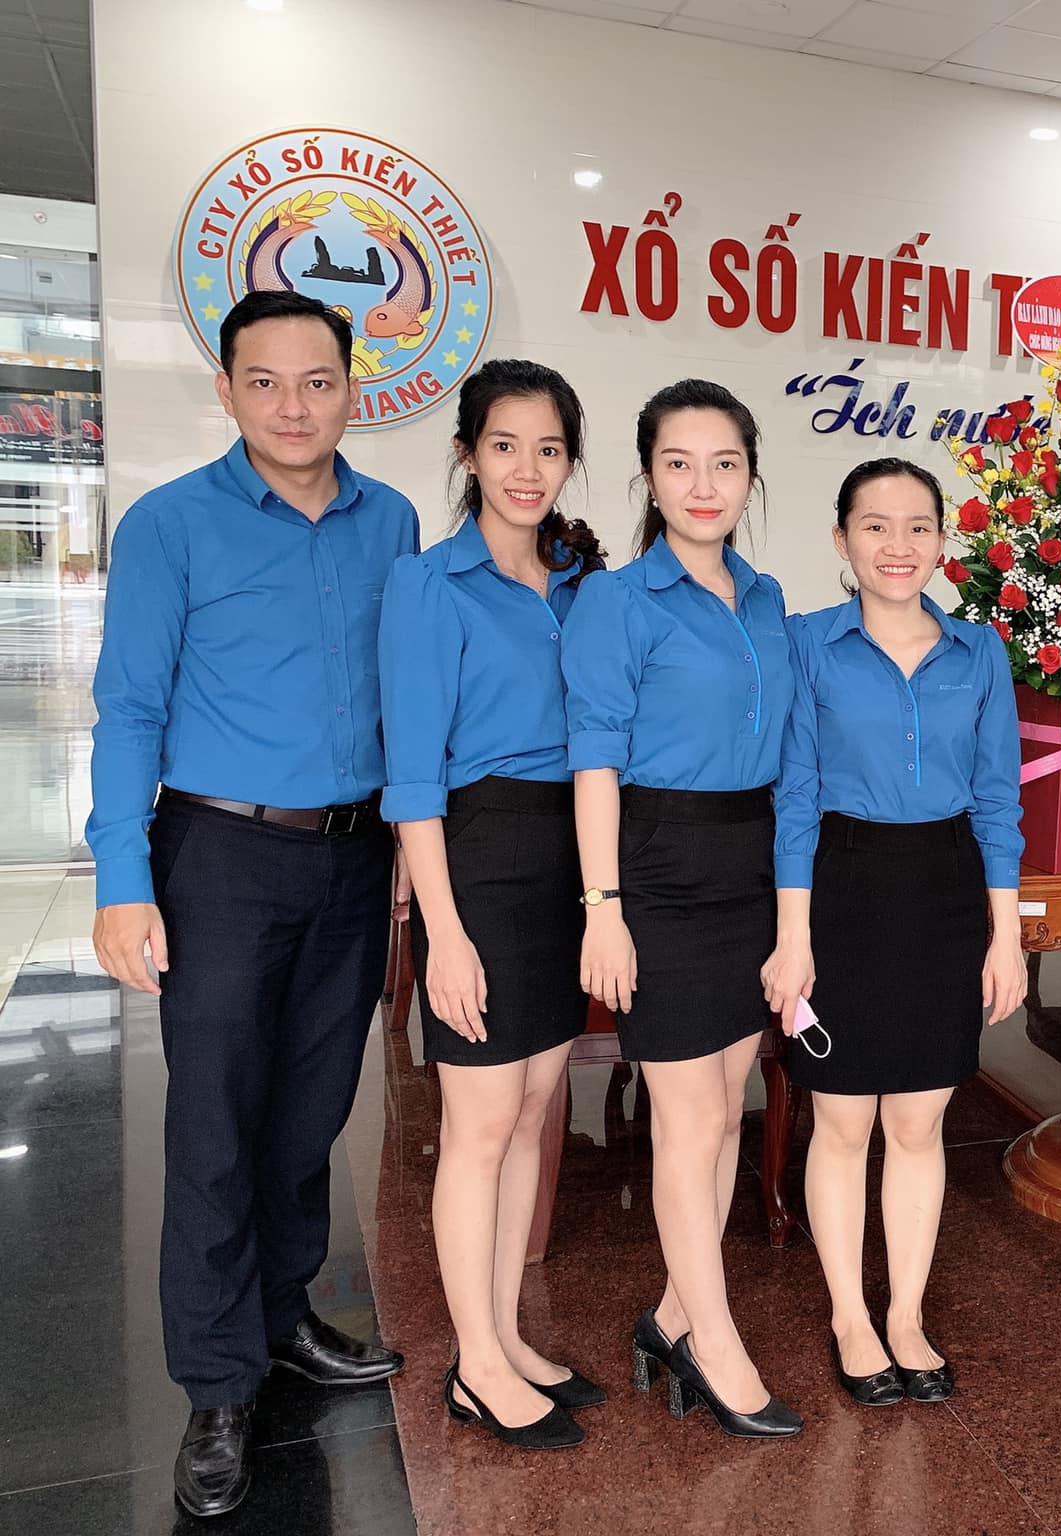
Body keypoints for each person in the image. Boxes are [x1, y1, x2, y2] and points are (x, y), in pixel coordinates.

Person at [87, 291, 417, 1518]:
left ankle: (284, 1317)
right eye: (265, 381)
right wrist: (123, 879)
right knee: (217, 1122)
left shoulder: (392, 522)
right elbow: (129, 709)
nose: (293, 405)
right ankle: (218, 1384)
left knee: (312, 1108)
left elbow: (408, 693)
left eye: (317, 381)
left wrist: (412, 847)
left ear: (351, 389)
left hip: (354, 855)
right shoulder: (170, 526)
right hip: (220, 852)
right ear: (225, 390)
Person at [562, 379, 801, 1438]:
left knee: (724, 1105)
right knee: (690, 1117)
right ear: (647, 479)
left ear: (750, 477)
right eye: (678, 464)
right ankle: (715, 1344)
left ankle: (670, 1317)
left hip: (748, 864)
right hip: (653, 867)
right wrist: (602, 908)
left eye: (724, 464)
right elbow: (595, 766)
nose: (703, 486)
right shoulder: (616, 601)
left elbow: (791, 752)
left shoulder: (768, 599)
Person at [378, 359, 608, 1447]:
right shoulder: (429, 584)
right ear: (467, 453)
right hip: (478, 861)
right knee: (476, 1126)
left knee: (531, 1112)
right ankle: (473, 1365)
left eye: (548, 449)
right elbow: (413, 780)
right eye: (505, 445)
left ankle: (507, 1335)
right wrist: (444, 935)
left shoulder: (580, 581)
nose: (527, 469)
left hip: (570, 862)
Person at [763, 457, 1026, 1406]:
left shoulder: (979, 652)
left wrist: (1005, 935)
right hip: (841, 888)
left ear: (943, 542)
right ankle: (850, 1316)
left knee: (919, 1123)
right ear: (841, 540)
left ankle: (907, 1314)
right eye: (875, 526)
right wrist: (794, 938)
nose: (898, 545)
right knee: (842, 1122)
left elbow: (998, 801)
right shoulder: (808, 643)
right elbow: (795, 798)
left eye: (918, 526)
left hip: (946, 892)